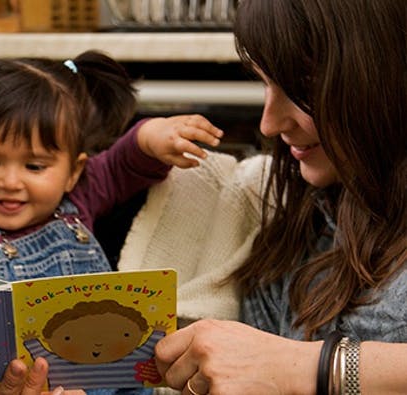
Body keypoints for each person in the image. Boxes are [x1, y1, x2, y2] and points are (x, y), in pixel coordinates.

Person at [151, 0, 407, 394]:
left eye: (301, 87)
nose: (269, 124)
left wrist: (309, 368)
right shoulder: (298, 230)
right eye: (265, 84)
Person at [0, 51, 224, 287]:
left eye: (34, 166)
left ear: (73, 171)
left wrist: (152, 136)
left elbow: (121, 163)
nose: (11, 182)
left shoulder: (82, 195)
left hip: (105, 372)